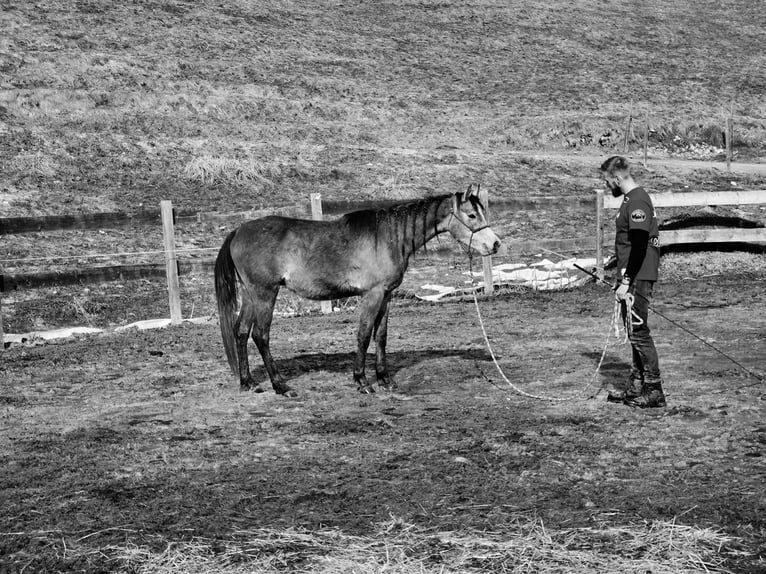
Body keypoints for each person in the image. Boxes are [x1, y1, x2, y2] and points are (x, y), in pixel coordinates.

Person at [600, 156, 666, 408]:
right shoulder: (630, 200)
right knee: (633, 331)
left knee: (639, 333)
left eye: (607, 181)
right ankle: (637, 384)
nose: (607, 186)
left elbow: (639, 245)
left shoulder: (638, 200)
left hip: (637, 276)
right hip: (632, 276)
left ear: (617, 178)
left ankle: (654, 389)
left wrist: (627, 280)